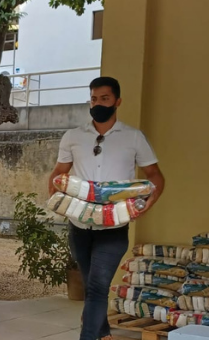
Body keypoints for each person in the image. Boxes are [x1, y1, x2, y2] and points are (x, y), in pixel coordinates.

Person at [48, 76, 165, 340]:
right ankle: (101, 331)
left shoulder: (133, 137)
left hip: (114, 226)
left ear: (117, 102)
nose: (98, 103)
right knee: (92, 287)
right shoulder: (73, 137)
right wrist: (57, 201)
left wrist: (147, 203)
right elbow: (58, 173)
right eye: (93, 98)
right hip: (79, 226)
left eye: (104, 98)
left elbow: (155, 175)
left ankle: (88, 335)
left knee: (99, 286)